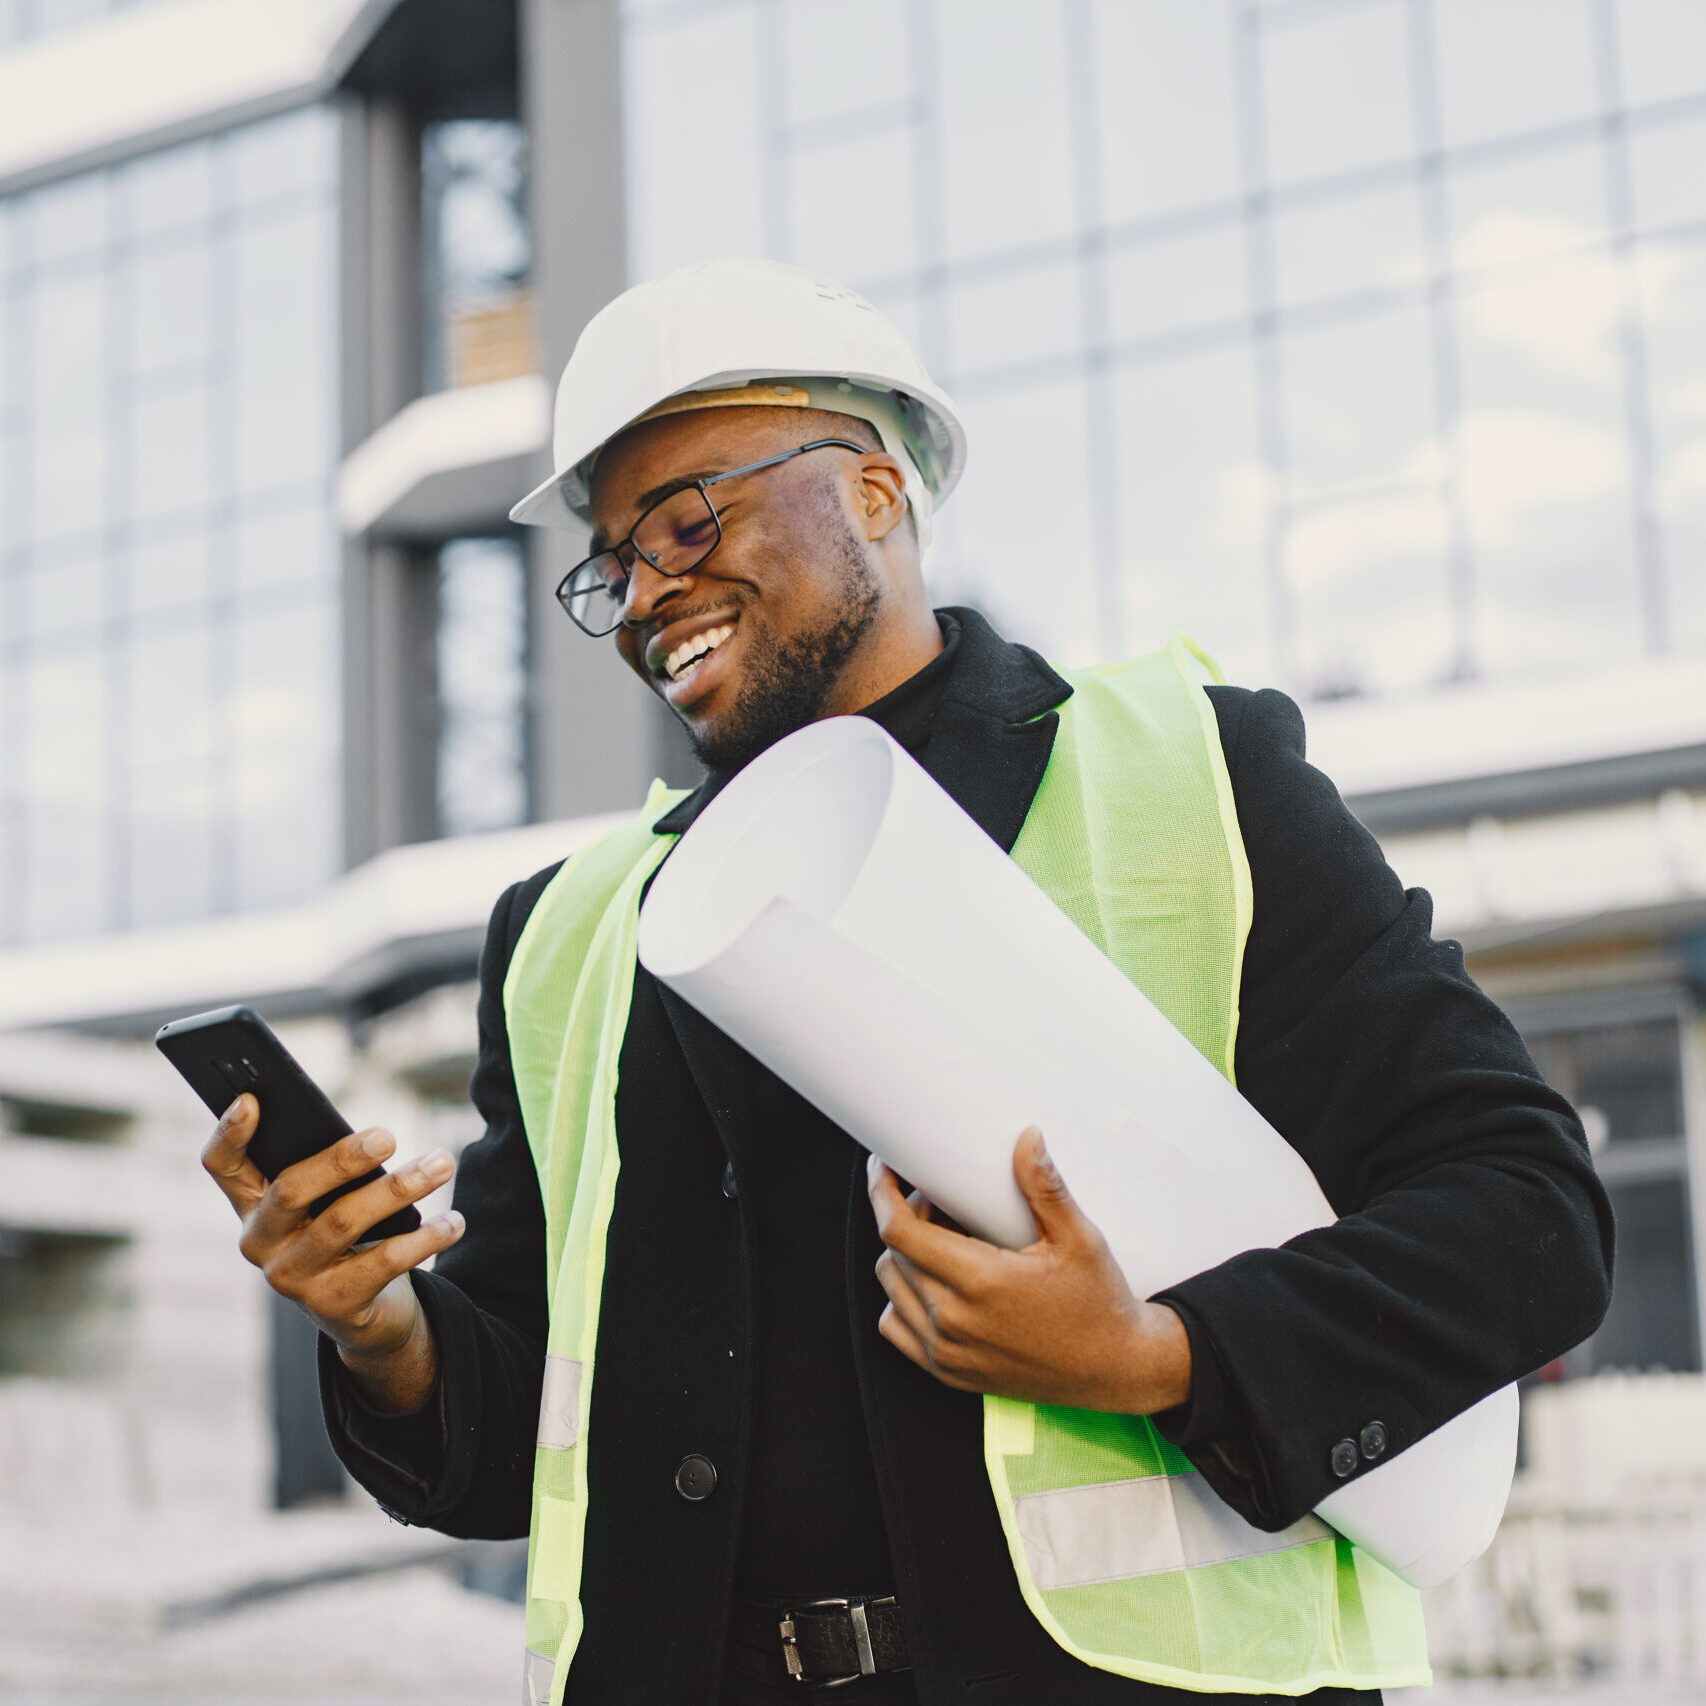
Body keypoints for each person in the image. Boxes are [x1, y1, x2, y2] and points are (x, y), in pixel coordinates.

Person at [202, 259, 1613, 1706]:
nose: (644, 593)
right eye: (609, 563)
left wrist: (1159, 1352)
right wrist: (379, 1325)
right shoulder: (569, 931)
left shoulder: (1187, 775)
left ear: (874, 489)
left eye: (687, 518)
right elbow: (510, 1444)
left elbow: (1526, 1214)